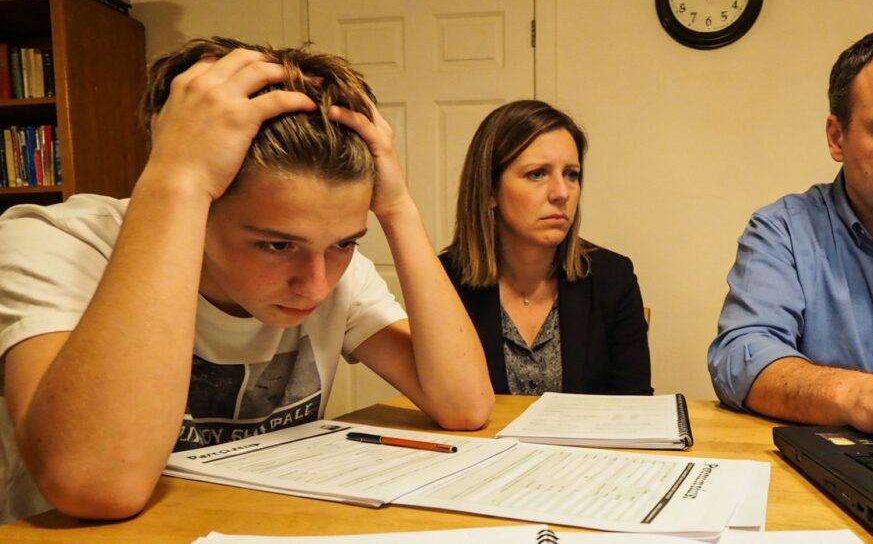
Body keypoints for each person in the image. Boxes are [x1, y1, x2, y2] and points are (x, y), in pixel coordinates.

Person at [0, 38, 494, 524]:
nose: (316, 286)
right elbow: (97, 486)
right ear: (202, 198)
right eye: (277, 246)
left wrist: (398, 207)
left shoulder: (333, 267)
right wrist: (176, 179)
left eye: (345, 243)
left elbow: (464, 405)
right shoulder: (54, 242)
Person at [707, 20, 873, 436]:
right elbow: (741, 357)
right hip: (826, 463)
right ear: (837, 137)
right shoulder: (785, 230)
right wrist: (857, 394)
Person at [440, 100, 652, 396]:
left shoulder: (612, 278)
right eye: (537, 174)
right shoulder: (443, 282)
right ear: (489, 190)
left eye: (571, 174)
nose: (562, 193)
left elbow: (635, 405)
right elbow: (438, 401)